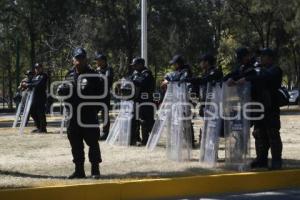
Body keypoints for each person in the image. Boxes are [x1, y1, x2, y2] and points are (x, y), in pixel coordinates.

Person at [57, 47, 103, 179]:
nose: (79, 61)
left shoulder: (93, 75)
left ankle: (95, 170)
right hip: (72, 115)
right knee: (75, 143)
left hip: (88, 115)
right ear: (73, 60)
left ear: (86, 59)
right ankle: (79, 171)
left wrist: (94, 110)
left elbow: (101, 95)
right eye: (77, 58)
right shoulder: (69, 75)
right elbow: (64, 92)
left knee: (92, 142)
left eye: (82, 58)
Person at [236, 48, 283, 170]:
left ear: (270, 58)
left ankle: (276, 160)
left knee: (273, 134)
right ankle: (261, 159)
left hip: (271, 107)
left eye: (263, 56)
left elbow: (266, 78)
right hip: (258, 107)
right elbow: (243, 75)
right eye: (260, 56)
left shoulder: (275, 70)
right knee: (259, 134)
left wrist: (253, 73)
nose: (260, 58)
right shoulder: (257, 70)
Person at [129, 57, 155, 145]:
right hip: (136, 100)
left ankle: (146, 140)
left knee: (145, 121)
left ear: (141, 65)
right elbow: (130, 80)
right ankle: (135, 139)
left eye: (135, 65)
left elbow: (141, 82)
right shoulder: (135, 73)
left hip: (146, 101)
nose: (134, 67)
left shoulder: (147, 74)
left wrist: (132, 81)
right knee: (133, 119)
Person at [21, 63, 48, 133]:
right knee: (32, 111)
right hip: (33, 97)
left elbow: (38, 84)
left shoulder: (44, 75)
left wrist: (27, 85)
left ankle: (43, 128)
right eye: (36, 68)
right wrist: (24, 83)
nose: (37, 69)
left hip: (41, 97)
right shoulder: (35, 76)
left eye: (39, 68)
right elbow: (30, 82)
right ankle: (38, 127)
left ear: (42, 68)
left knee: (40, 112)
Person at [94, 52, 114, 140]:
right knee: (93, 113)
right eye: (97, 61)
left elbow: (107, 80)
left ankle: (105, 133)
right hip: (96, 95)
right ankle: (94, 131)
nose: (97, 62)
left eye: (98, 60)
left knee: (104, 114)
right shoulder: (97, 70)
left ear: (103, 61)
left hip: (104, 95)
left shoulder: (108, 69)